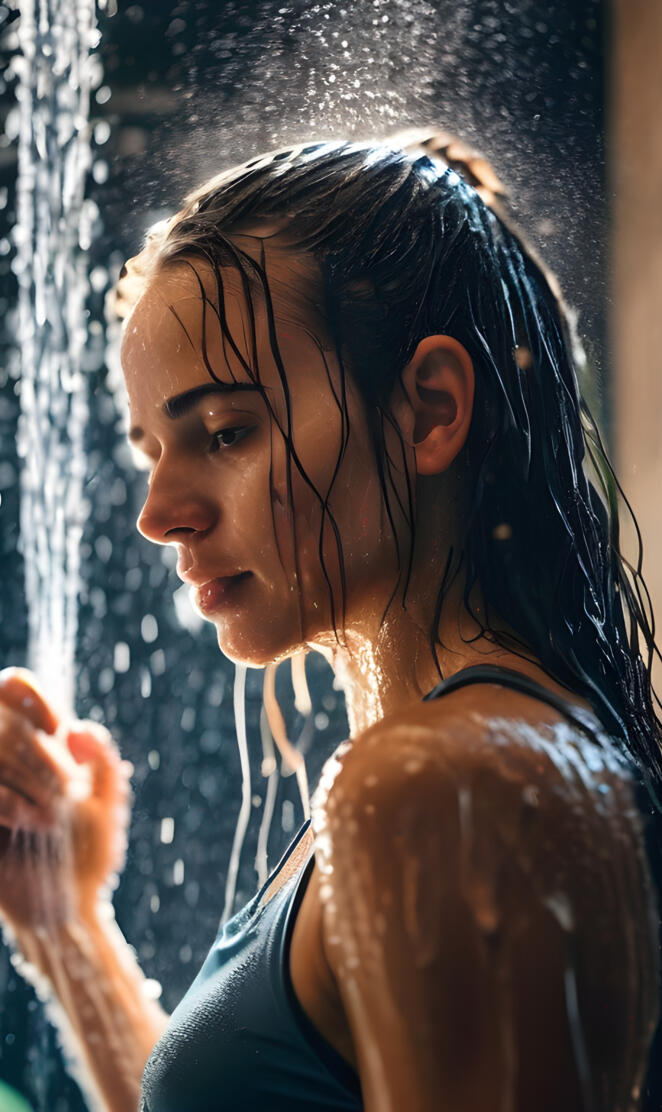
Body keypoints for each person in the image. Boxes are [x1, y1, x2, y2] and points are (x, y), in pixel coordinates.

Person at [0, 132, 660, 1112]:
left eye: (224, 432)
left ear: (429, 408)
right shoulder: (453, 765)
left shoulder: (437, 785)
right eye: (152, 450)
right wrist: (64, 926)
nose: (159, 511)